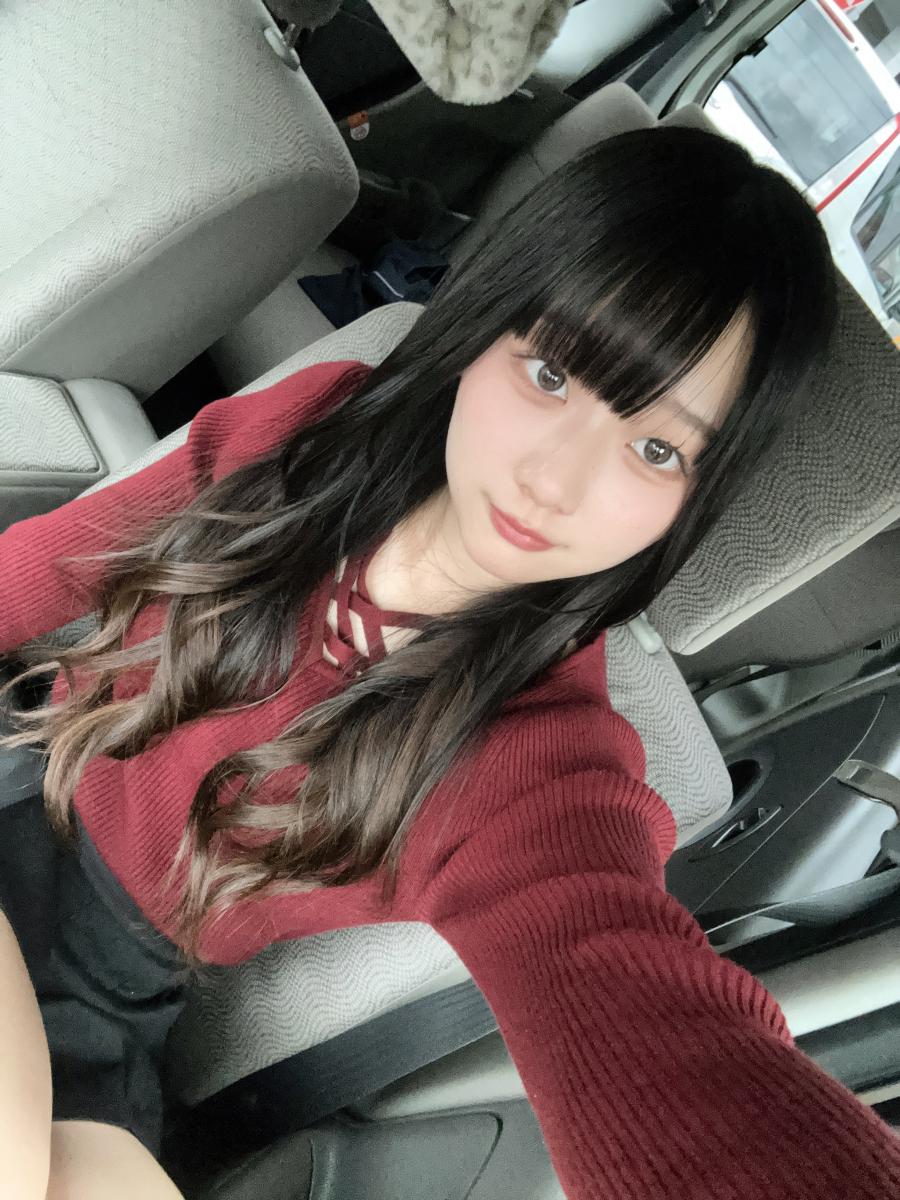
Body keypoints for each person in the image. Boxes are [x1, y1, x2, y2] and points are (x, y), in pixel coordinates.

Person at [0, 126, 897, 1199]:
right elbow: (40, 572)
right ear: (480, 329)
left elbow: (653, 1030)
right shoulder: (314, 431)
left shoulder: (543, 765)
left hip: (98, 1003)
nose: (554, 481)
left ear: (695, 501)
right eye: (553, 373)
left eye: (657, 448)